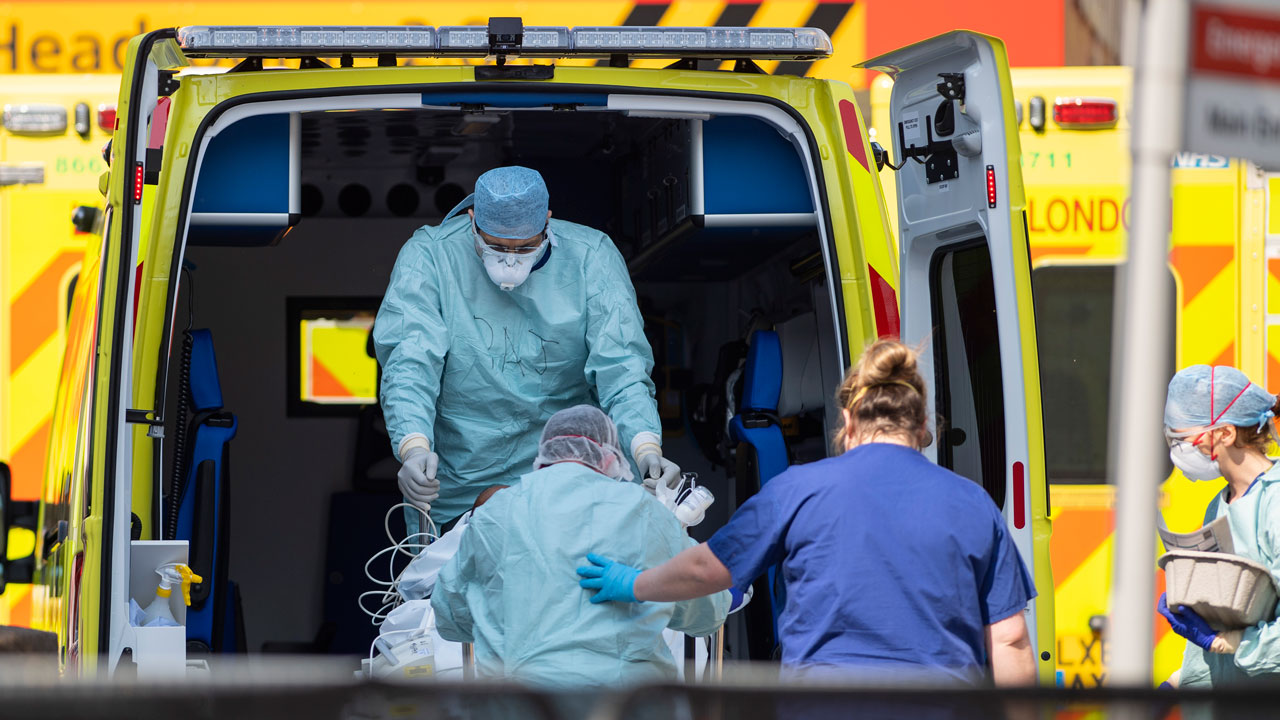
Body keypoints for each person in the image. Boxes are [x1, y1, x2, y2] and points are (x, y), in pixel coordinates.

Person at [578, 338, 1038, 685]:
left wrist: (633, 584)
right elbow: (1010, 638)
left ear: (849, 422)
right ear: (922, 426)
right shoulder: (973, 504)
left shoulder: (798, 491)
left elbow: (706, 570)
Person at [374, 166, 680, 537]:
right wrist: (413, 446)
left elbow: (622, 368)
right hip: (464, 479)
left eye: (524, 248)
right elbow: (410, 363)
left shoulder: (590, 257)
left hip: (569, 473)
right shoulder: (432, 256)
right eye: (496, 246)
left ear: (547, 222)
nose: (510, 262)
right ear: (472, 220)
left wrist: (646, 447)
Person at [431, 405, 729, 687]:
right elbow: (707, 612)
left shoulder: (495, 511)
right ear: (610, 459)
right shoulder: (644, 511)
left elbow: (450, 616)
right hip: (625, 703)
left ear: (543, 457)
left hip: (518, 705)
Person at [1159, 364, 1280, 687]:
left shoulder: (1275, 502)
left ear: (1225, 433)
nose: (1178, 451)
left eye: (1182, 439)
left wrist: (1230, 643)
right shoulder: (1220, 504)